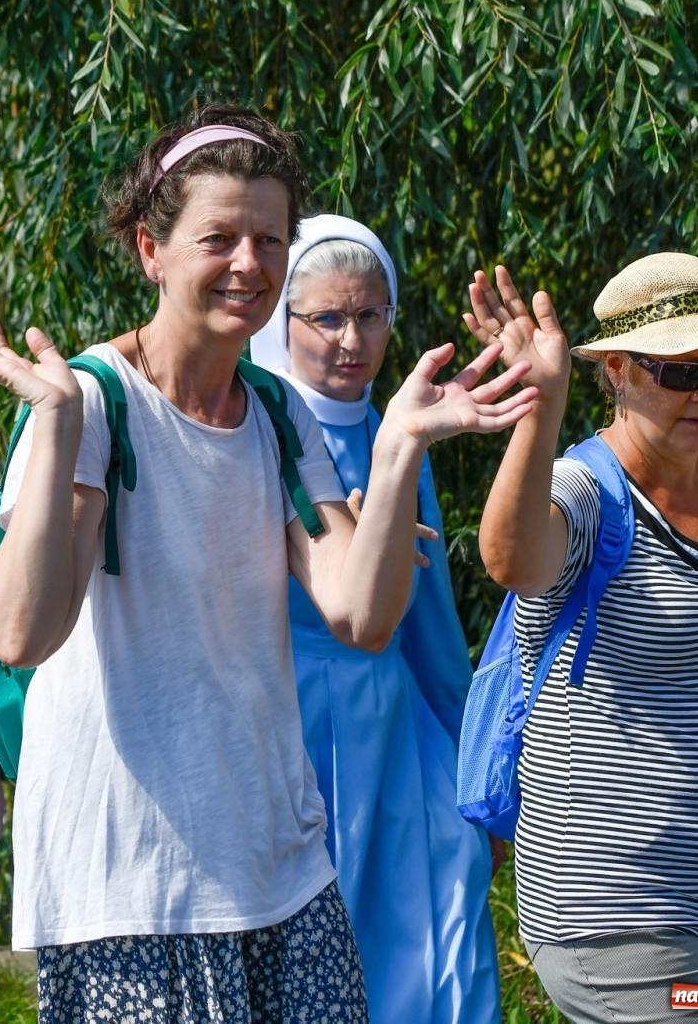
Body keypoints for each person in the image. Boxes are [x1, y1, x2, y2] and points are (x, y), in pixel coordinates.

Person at [0, 104, 537, 1023]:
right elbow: (21, 631)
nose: (249, 264)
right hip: (132, 884)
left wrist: (399, 450)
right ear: (151, 248)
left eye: (269, 238)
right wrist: (56, 426)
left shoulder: (274, 411)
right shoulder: (93, 401)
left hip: (283, 867)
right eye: (219, 236)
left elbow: (361, 614)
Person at [466, 253, 698, 1024]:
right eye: (678, 372)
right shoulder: (585, 491)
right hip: (607, 907)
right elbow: (510, 557)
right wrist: (540, 414)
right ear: (619, 372)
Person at [249, 214, 501, 1024]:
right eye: (327, 317)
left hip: (397, 736)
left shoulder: (400, 427)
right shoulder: (251, 425)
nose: (351, 339)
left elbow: (430, 626)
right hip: (284, 728)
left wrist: (477, 777)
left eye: (371, 314)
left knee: (441, 946)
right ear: (281, 322)